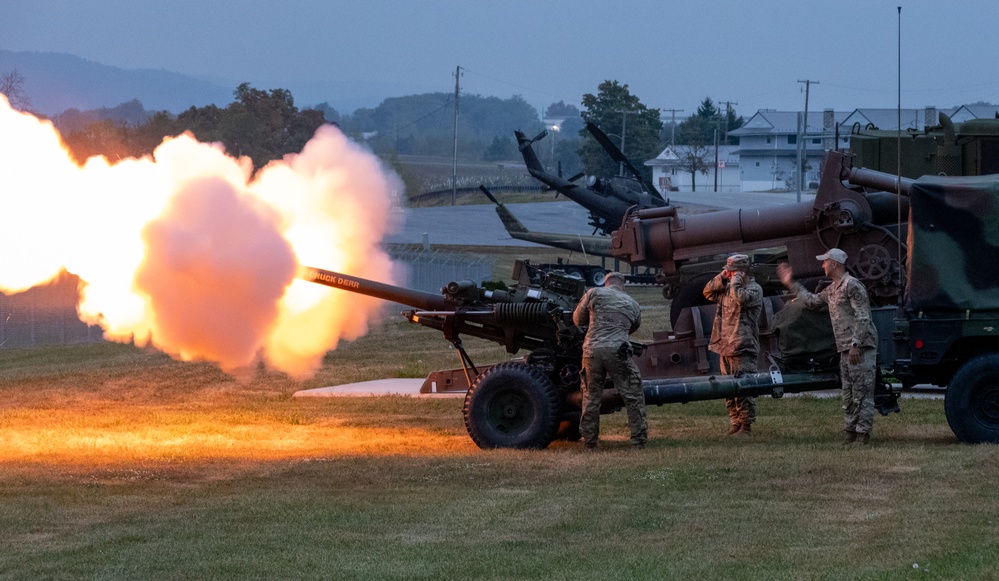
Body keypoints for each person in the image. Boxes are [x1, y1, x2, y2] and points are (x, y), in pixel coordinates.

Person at [776, 248, 879, 445]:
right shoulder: (832, 289)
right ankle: (850, 433)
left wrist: (856, 344)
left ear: (835, 264)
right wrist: (791, 283)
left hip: (860, 347)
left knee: (862, 392)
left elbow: (863, 316)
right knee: (848, 393)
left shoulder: (853, 286)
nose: (822, 265)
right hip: (844, 348)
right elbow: (812, 302)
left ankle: (862, 435)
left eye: (825, 261)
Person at [573, 271, 647, 449]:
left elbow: (577, 319)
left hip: (591, 352)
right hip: (618, 351)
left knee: (591, 396)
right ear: (623, 284)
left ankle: (590, 441)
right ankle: (638, 440)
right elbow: (633, 326)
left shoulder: (593, 293)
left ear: (606, 283)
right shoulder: (632, 303)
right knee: (633, 395)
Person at [702, 254, 764, 436]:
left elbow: (741, 298)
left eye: (731, 271)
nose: (728, 274)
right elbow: (707, 292)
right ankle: (735, 422)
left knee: (744, 386)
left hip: (742, 344)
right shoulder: (726, 287)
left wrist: (736, 281)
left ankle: (746, 425)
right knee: (727, 388)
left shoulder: (754, 289)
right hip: (725, 344)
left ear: (741, 272)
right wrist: (721, 277)